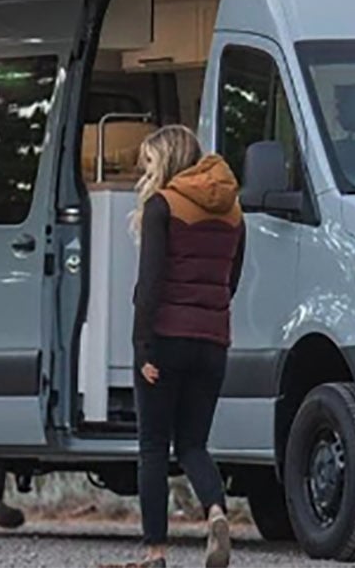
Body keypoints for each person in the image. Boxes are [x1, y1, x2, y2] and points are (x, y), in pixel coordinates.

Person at [102, 125, 246, 568]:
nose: (146, 171)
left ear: (165, 160)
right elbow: (231, 280)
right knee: (193, 445)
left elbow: (150, 284)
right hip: (212, 341)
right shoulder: (233, 210)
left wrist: (143, 347)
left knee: (152, 446)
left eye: (149, 162)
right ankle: (216, 511)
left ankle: (155, 551)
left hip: (165, 339)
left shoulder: (163, 205)